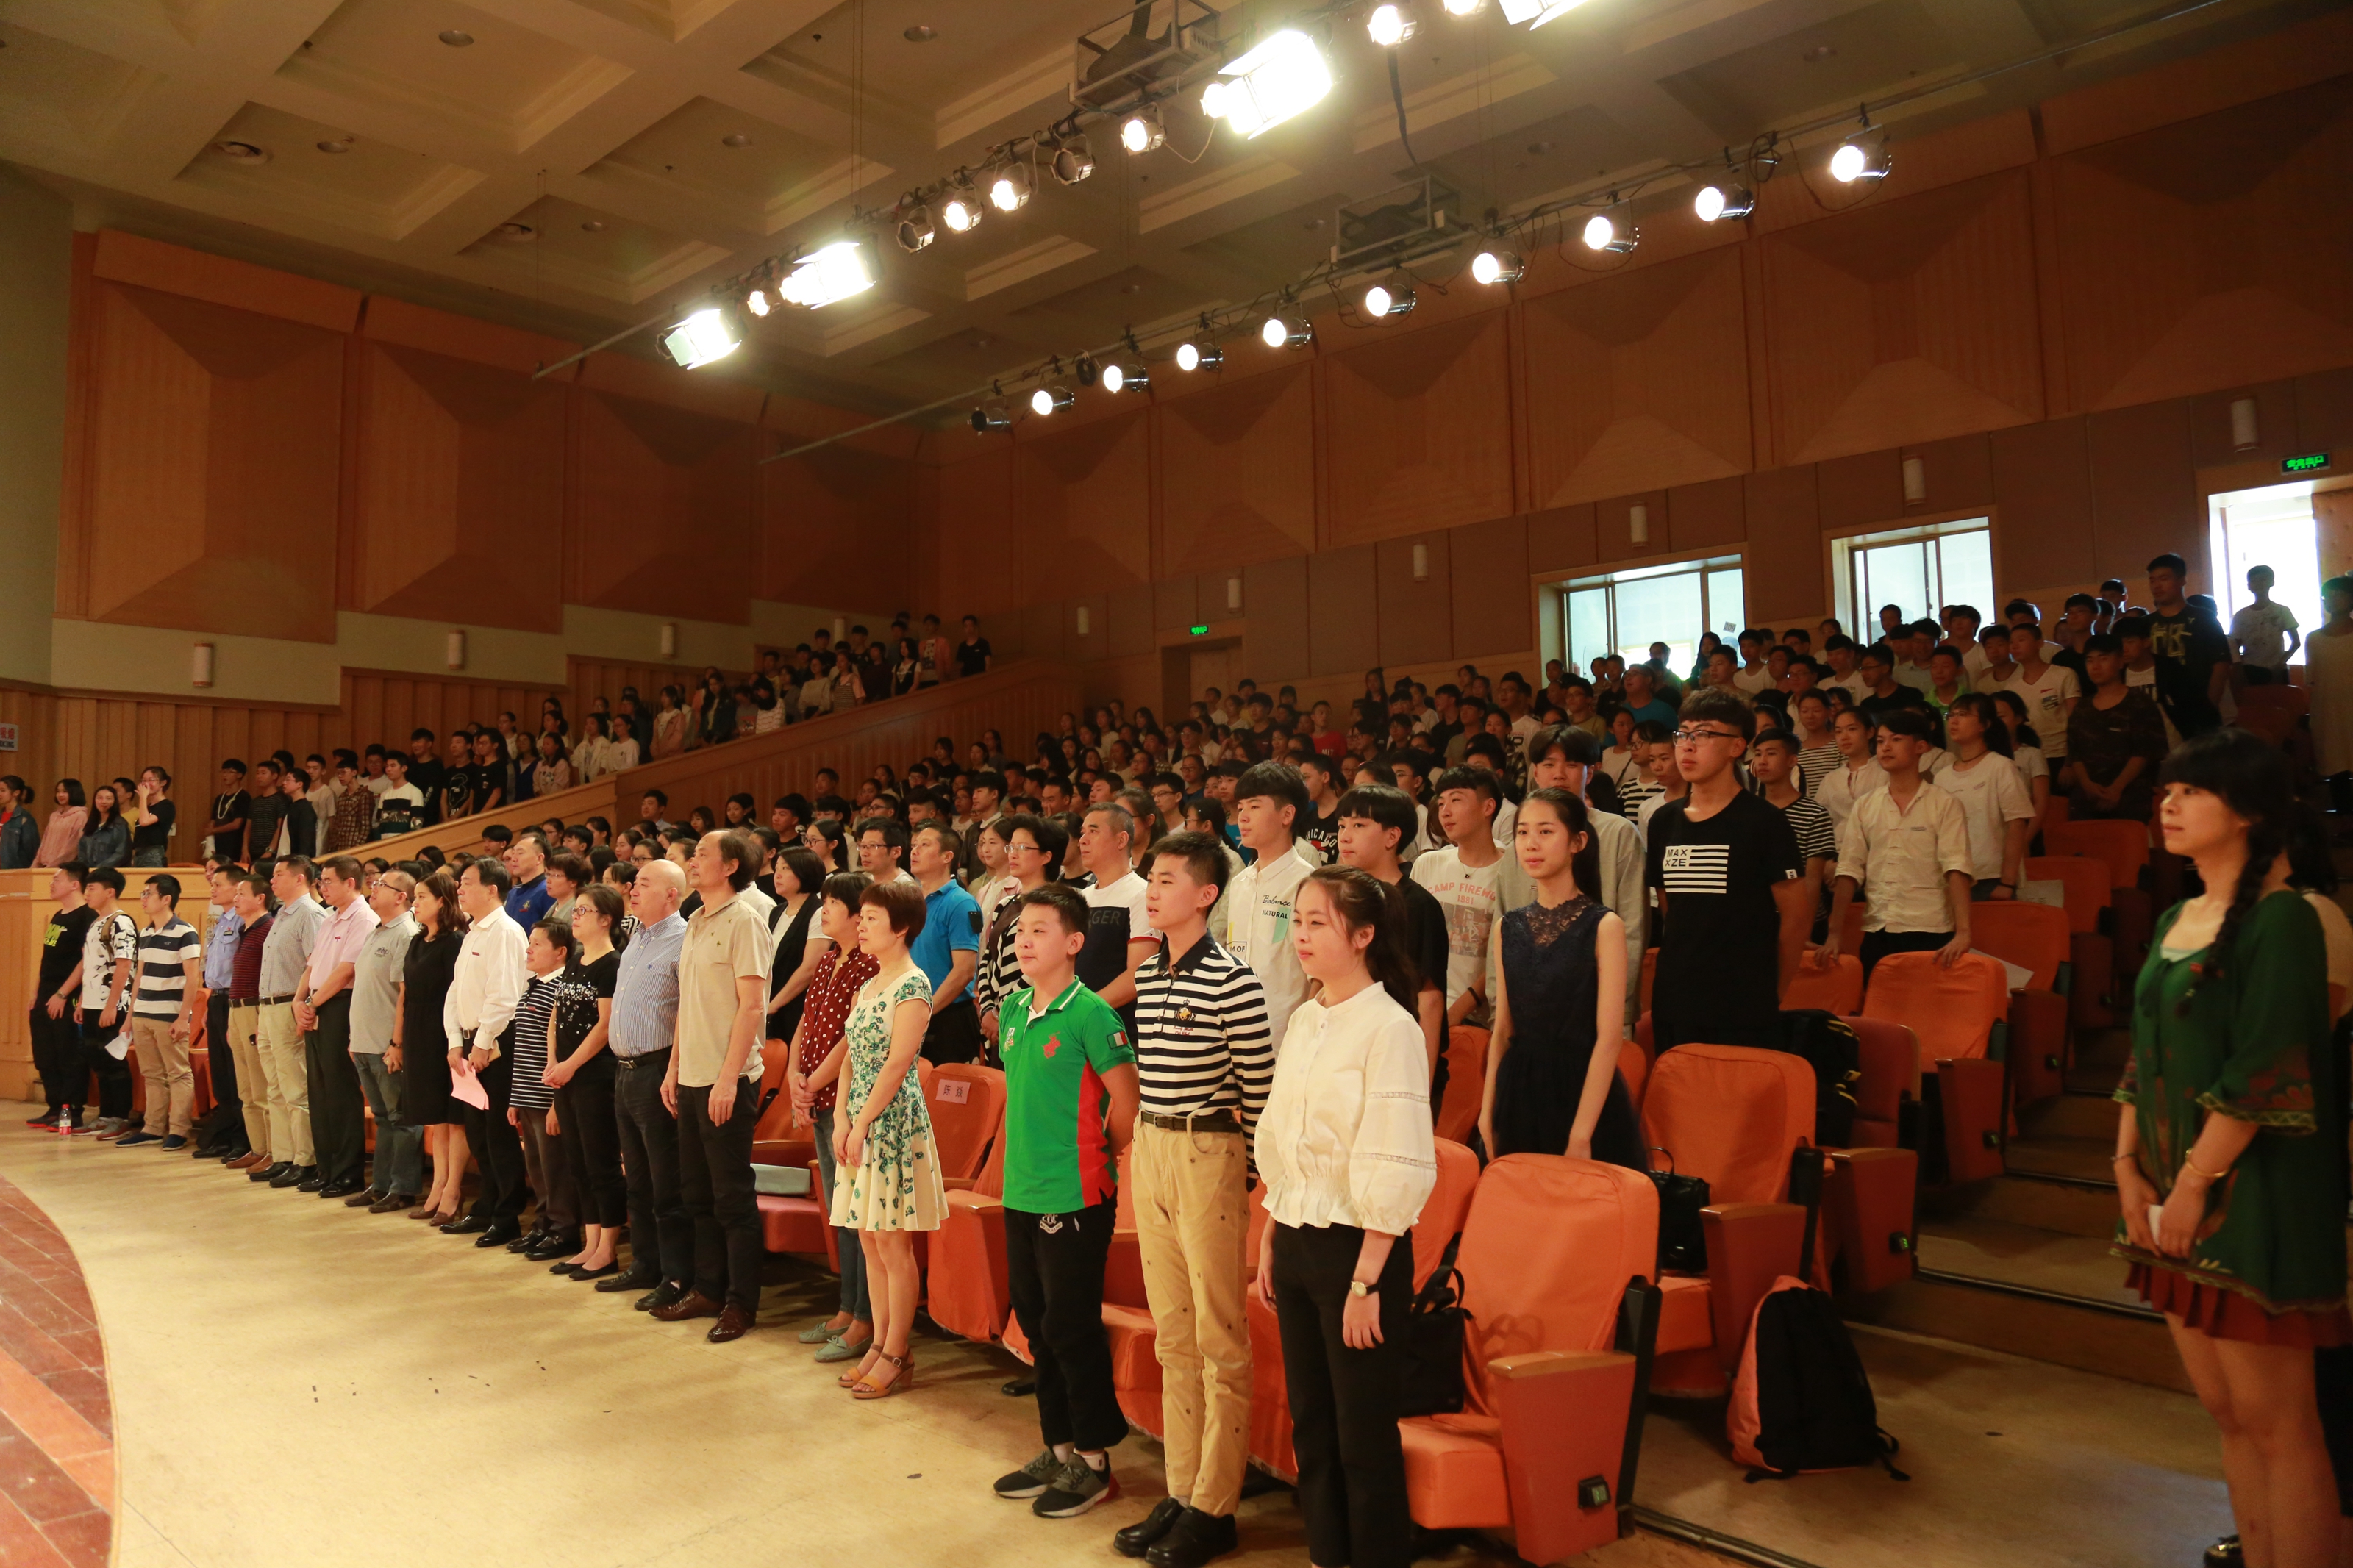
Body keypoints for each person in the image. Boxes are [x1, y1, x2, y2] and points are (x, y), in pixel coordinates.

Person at [2113, 729, 2344, 1568]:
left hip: (2253, 1194)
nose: (2168, 804)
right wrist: (2127, 1169)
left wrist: (2192, 1184)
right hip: (2169, 1188)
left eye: (2191, 791)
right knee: (2230, 1417)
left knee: (2282, 1426)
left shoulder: (2285, 918)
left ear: (2246, 812)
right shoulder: (2177, 916)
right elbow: (2142, 1054)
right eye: (2167, 790)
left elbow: (2264, 1068)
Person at [1252, 867, 1436, 1568]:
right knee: (1313, 1424)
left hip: (1360, 1250)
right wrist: (1272, 1233)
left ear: (1362, 936)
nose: (1300, 936)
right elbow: (1284, 1136)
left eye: (1317, 923)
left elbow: (1395, 1154)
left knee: (1364, 1435)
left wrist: (1366, 1282)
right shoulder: (1307, 1017)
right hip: (1299, 1235)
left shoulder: (1391, 1026)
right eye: (1296, 920)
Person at [1114, 834, 1272, 1565]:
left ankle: (1216, 1503)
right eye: (1150, 879)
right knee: (1172, 1334)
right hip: (1152, 1144)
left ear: (1205, 895)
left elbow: (1259, 1090)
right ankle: (1182, 1490)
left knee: (1218, 1338)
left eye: (1168, 880)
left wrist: (1247, 1175)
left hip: (1209, 1149)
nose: (1152, 890)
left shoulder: (1233, 979)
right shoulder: (1149, 975)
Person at [988, 884, 1142, 1518]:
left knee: (1071, 1327)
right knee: (1036, 1323)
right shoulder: (1013, 1009)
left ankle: (1096, 1460)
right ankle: (1058, 1447)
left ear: (1074, 942)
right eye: (1021, 930)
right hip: (1020, 1190)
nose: (1024, 941)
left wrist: (1095, 1159)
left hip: (1076, 1194)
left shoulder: (1092, 1014)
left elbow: (1127, 1104)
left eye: (1040, 930)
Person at [652, 831, 771, 1342]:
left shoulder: (745, 920)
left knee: (732, 1198)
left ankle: (741, 1305)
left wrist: (727, 1077)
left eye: (703, 854)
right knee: (697, 1195)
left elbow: (752, 1005)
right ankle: (707, 1289)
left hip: (729, 1079)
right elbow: (688, 1003)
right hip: (691, 1076)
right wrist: (673, 1068)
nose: (693, 861)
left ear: (730, 866)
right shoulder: (697, 919)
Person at [1482, 788, 1641, 1167]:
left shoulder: (1604, 925)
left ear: (1577, 842)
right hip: (1518, 1090)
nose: (1531, 844)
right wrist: (1486, 1113)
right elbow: (1502, 1030)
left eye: (1545, 831)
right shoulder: (1508, 926)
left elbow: (1608, 1038)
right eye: (1522, 832)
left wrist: (1581, 1134)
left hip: (1580, 1090)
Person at [1646, 690, 1812, 1053]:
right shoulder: (1663, 821)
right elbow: (1670, 908)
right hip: (1675, 998)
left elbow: (1797, 916)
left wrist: (1773, 992)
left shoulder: (1764, 821)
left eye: (1703, 734)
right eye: (1683, 734)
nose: (1688, 746)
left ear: (1737, 746)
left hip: (1743, 1003)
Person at [829, 878, 943, 1398]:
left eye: (872, 918)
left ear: (900, 928)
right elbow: (850, 1057)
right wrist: (841, 1119)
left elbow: (899, 1064)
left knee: (893, 1243)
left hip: (892, 1122)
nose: (862, 924)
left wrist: (863, 1123)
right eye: (862, 916)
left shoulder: (913, 984)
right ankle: (878, 1342)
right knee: (869, 1238)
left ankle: (897, 1351)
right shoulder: (869, 984)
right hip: (859, 1119)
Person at [790, 870, 879, 1366]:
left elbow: (851, 1035)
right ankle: (846, 1308)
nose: (823, 911)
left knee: (859, 1213)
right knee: (840, 1211)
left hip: (846, 1098)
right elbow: (808, 1021)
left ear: (857, 912)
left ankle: (866, 1316)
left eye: (832, 904)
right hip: (819, 1094)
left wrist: (813, 1081)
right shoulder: (828, 958)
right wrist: (794, 1076)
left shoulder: (870, 964)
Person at [1818, 709, 1974, 981]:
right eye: (1880, 741)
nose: (1885, 747)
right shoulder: (1866, 805)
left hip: (1931, 928)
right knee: (1877, 1003)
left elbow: (1956, 868)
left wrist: (1964, 932)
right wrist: (1834, 932)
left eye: (1896, 739)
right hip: (1879, 928)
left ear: (1920, 747)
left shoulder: (1945, 803)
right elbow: (1849, 869)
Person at [604, 859, 694, 1306]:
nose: (632, 890)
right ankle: (645, 1263)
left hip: (659, 1070)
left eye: (643, 884)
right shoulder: (636, 937)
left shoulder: (684, 939)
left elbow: (686, 1013)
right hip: (623, 1070)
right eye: (633, 883)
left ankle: (676, 1276)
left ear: (671, 894)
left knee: (665, 1182)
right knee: (636, 1179)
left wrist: (673, 1072)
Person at [540, 885, 628, 1277]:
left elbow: (605, 1025)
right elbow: (556, 1017)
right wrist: (553, 1063)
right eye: (574, 911)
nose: (574, 917)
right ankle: (590, 1243)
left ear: (606, 919)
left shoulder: (613, 964)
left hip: (595, 1076)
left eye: (583, 911)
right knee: (577, 1163)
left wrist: (571, 1065)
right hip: (567, 1076)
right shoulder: (576, 961)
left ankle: (607, 1249)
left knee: (600, 1163)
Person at [1334, 787, 1449, 1079]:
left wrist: (1420, 1083)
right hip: (1346, 1055)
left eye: (1359, 825)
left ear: (1392, 836)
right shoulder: (1340, 900)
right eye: (1342, 826)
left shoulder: (1418, 905)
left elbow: (1430, 1001)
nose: (1345, 836)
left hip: (1397, 1059)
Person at [445, 858, 530, 1245]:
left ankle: (506, 1217)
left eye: (467, 882)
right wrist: (455, 1042)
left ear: (492, 889)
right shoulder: (473, 931)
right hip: (471, 1043)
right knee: (478, 1136)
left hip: (497, 1043)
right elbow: (456, 991)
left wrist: (481, 1044)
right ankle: (485, 1208)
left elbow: (505, 996)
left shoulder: (507, 932)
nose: (460, 889)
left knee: (498, 1135)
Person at [296, 856, 380, 1199]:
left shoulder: (363, 917)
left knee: (341, 1091)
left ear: (350, 883)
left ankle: (347, 1173)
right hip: (317, 1002)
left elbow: (347, 970)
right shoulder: (330, 918)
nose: (322, 887)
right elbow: (312, 965)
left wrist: (312, 1003)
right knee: (319, 1091)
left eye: (328, 881)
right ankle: (326, 1169)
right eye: (321, 881)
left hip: (340, 1005)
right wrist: (299, 1000)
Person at [1219, 764, 1315, 1048]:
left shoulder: (1308, 883)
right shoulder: (1240, 882)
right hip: (1234, 1033)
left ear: (1287, 814)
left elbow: (1318, 977)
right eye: (1240, 807)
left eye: (1254, 806)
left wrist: (1304, 1037)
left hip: (1284, 1037)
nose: (1243, 816)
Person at [344, 870, 421, 1210]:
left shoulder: (406, 933)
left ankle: (402, 1189)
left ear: (401, 897)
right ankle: (381, 1184)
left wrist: (397, 1043)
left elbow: (405, 994)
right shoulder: (378, 930)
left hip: (387, 1044)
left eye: (381, 885)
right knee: (382, 1118)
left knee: (401, 1119)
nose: (372, 889)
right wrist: (354, 1038)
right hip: (364, 1041)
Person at [508, 918, 583, 1263]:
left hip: (547, 1097)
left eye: (537, 944)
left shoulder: (561, 989)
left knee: (556, 1169)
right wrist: (514, 1098)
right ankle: (542, 1225)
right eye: (530, 942)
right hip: (526, 1095)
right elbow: (523, 1048)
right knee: (536, 1166)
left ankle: (563, 1230)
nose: (529, 949)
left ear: (560, 952)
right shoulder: (533, 986)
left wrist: (557, 1103)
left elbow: (563, 1051)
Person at [1411, 768, 1506, 1037]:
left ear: (1488, 807)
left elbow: (1504, 954)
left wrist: (1456, 1013)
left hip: (1480, 1021)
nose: (1445, 811)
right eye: (1441, 803)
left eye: (1456, 800)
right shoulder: (1428, 863)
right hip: (1422, 1009)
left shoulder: (1511, 870)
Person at [397, 870, 467, 1224]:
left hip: (444, 1031)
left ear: (442, 901)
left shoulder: (455, 941)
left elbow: (457, 994)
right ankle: (437, 1185)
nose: (415, 902)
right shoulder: (416, 941)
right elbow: (406, 992)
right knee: (435, 1117)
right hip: (418, 1030)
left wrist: (455, 1041)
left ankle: (453, 1189)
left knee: (453, 1117)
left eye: (422, 896)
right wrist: (397, 1040)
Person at [252, 857, 324, 1185]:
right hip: (269, 1007)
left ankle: (305, 1160)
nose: (272, 881)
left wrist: (305, 1007)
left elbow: (316, 966)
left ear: (300, 879)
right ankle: (283, 1156)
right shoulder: (282, 913)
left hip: (289, 1007)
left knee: (296, 1087)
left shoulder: (310, 914)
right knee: (275, 1087)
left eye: (279, 875)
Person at [116, 874, 202, 1149]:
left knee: (178, 1073)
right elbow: (138, 978)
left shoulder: (185, 932)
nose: (143, 899)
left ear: (166, 899)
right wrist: (130, 1017)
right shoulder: (145, 933)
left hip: (169, 1015)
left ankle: (179, 1130)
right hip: (143, 1013)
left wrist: (183, 1017)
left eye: (148, 893)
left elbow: (193, 978)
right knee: (152, 1075)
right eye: (142, 893)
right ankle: (153, 1128)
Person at [1937, 694, 2034, 901]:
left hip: (1992, 877)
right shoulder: (1942, 776)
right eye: (1950, 715)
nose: (1953, 721)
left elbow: (2017, 825)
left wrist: (2007, 882)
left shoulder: (2000, 766)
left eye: (1963, 714)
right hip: (1955, 877)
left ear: (1984, 724)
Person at [2065, 633, 2169, 822]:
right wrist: (2087, 784)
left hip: (2132, 799)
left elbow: (2145, 752)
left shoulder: (2140, 703)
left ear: (2121, 662)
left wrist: (2117, 788)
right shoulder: (2082, 708)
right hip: (2087, 801)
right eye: (2090, 660)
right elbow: (2075, 753)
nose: (2096, 666)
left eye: (2104, 659)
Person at [907, 823, 984, 1062]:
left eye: (924, 845)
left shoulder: (961, 903)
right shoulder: (910, 900)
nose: (915, 851)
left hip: (948, 1018)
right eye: (914, 845)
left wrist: (926, 1011)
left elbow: (964, 971)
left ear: (947, 857)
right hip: (910, 1012)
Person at [29, 864, 96, 1132]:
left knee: (68, 1054)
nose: (52, 883)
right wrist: (36, 992)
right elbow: (47, 958)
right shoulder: (59, 915)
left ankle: (71, 1112)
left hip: (67, 994)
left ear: (74, 885)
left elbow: (85, 960)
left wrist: (62, 994)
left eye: (57, 879)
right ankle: (54, 1107)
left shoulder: (87, 916)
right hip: (47, 992)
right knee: (45, 1054)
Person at [1748, 734, 1837, 934]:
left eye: (1771, 754)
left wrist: (1803, 930)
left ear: (1792, 760)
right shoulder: (1746, 811)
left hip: (1803, 920)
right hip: (1757, 920)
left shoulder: (1815, 814)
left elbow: (1813, 879)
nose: (1762, 761)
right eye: (1758, 754)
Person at [1075, 804, 1154, 1028]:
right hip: (1078, 1026)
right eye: (1082, 833)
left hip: (1119, 1027)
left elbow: (1139, 974)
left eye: (1093, 831)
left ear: (1121, 840)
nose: (1082, 840)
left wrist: (1082, 1011)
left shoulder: (1142, 894)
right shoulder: (1082, 897)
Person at [76, 867, 139, 1137]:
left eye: (92, 888)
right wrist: (82, 1001)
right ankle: (105, 1114)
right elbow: (91, 966)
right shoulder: (95, 923)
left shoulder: (121, 922)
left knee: (114, 1061)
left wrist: (111, 1006)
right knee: (98, 1060)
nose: (86, 893)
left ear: (110, 892)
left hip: (113, 1005)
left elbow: (124, 965)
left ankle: (121, 1116)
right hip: (92, 1003)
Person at [193, 864, 249, 1158]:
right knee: (221, 1073)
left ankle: (243, 1139)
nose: (212, 889)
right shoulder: (221, 920)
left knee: (236, 1071)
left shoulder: (243, 921)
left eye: (218, 884)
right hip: (217, 999)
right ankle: (225, 1133)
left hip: (234, 1000)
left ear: (237, 887)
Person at [2146, 552, 2231, 739]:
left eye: (2164, 579)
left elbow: (2221, 666)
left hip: (2197, 710)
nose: (2157, 586)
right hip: (2155, 714)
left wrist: (2208, 709)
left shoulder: (2203, 618)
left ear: (2182, 580)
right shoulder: (2145, 624)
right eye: (2152, 580)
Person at [765, 847, 830, 1048]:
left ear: (804, 872)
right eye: (777, 868)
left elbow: (810, 968)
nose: (778, 875)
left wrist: (774, 1004)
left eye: (785, 869)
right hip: (770, 999)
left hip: (797, 1006)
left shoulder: (818, 912)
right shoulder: (777, 911)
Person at [2311, 577, 2353, 815]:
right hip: (2328, 712)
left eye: (2340, 594)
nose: (2333, 600)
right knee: (2337, 770)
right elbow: (2314, 680)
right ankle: (2345, 821)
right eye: (2329, 595)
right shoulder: (2314, 639)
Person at [2229, 564, 2301, 685]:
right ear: (2249, 585)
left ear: (2272, 582)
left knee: (2278, 696)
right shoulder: (2241, 615)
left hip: (2276, 670)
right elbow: (2235, 646)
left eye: (2263, 580)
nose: (2259, 584)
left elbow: (2296, 643)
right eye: (2254, 581)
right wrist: (2239, 668)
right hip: (2250, 670)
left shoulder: (2282, 611)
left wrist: (2281, 662)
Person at [129, 767, 175, 867]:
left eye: (151, 780)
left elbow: (144, 822)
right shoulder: (147, 807)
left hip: (153, 853)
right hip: (139, 853)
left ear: (163, 783)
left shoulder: (166, 805)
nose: (146, 784)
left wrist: (143, 797)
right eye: (144, 780)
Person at [76, 783, 128, 870]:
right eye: (100, 798)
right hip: (90, 872)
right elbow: (82, 851)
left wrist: (99, 869)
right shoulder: (91, 824)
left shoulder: (120, 824)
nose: (103, 802)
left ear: (115, 801)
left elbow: (122, 853)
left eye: (109, 798)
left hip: (110, 872)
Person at [206, 762, 250, 862]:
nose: (225, 775)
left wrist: (213, 830)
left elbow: (237, 824)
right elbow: (213, 820)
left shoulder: (243, 797)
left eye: (230, 772)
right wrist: (210, 841)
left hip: (234, 844)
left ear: (239, 775)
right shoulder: (220, 798)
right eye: (223, 772)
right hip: (218, 844)